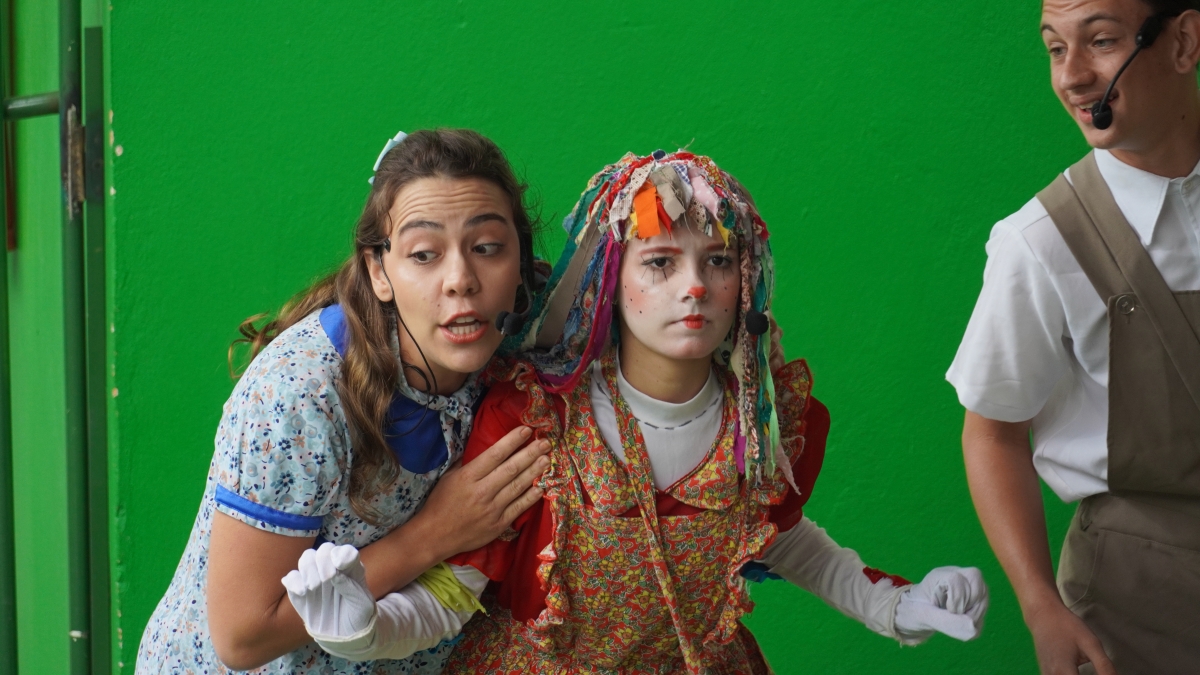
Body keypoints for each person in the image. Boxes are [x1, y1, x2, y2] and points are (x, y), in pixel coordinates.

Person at [288, 150, 989, 674]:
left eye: (718, 261)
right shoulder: (535, 418)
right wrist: (363, 630)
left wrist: (898, 606)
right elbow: (452, 594)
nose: (695, 287)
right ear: (609, 282)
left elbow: (778, 537)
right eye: (660, 262)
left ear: (746, 280)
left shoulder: (761, 420)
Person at [135, 128, 551, 674]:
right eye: (424, 255)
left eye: (488, 247)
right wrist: (435, 534)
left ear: (521, 259)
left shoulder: (519, 348)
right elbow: (242, 636)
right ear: (379, 272)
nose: (461, 280)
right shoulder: (300, 394)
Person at [948, 1, 1200, 673]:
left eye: (1102, 41)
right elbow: (993, 435)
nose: (1072, 77)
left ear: (1184, 42)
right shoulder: (1039, 243)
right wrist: (1039, 604)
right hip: (1131, 615)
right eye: (1056, 49)